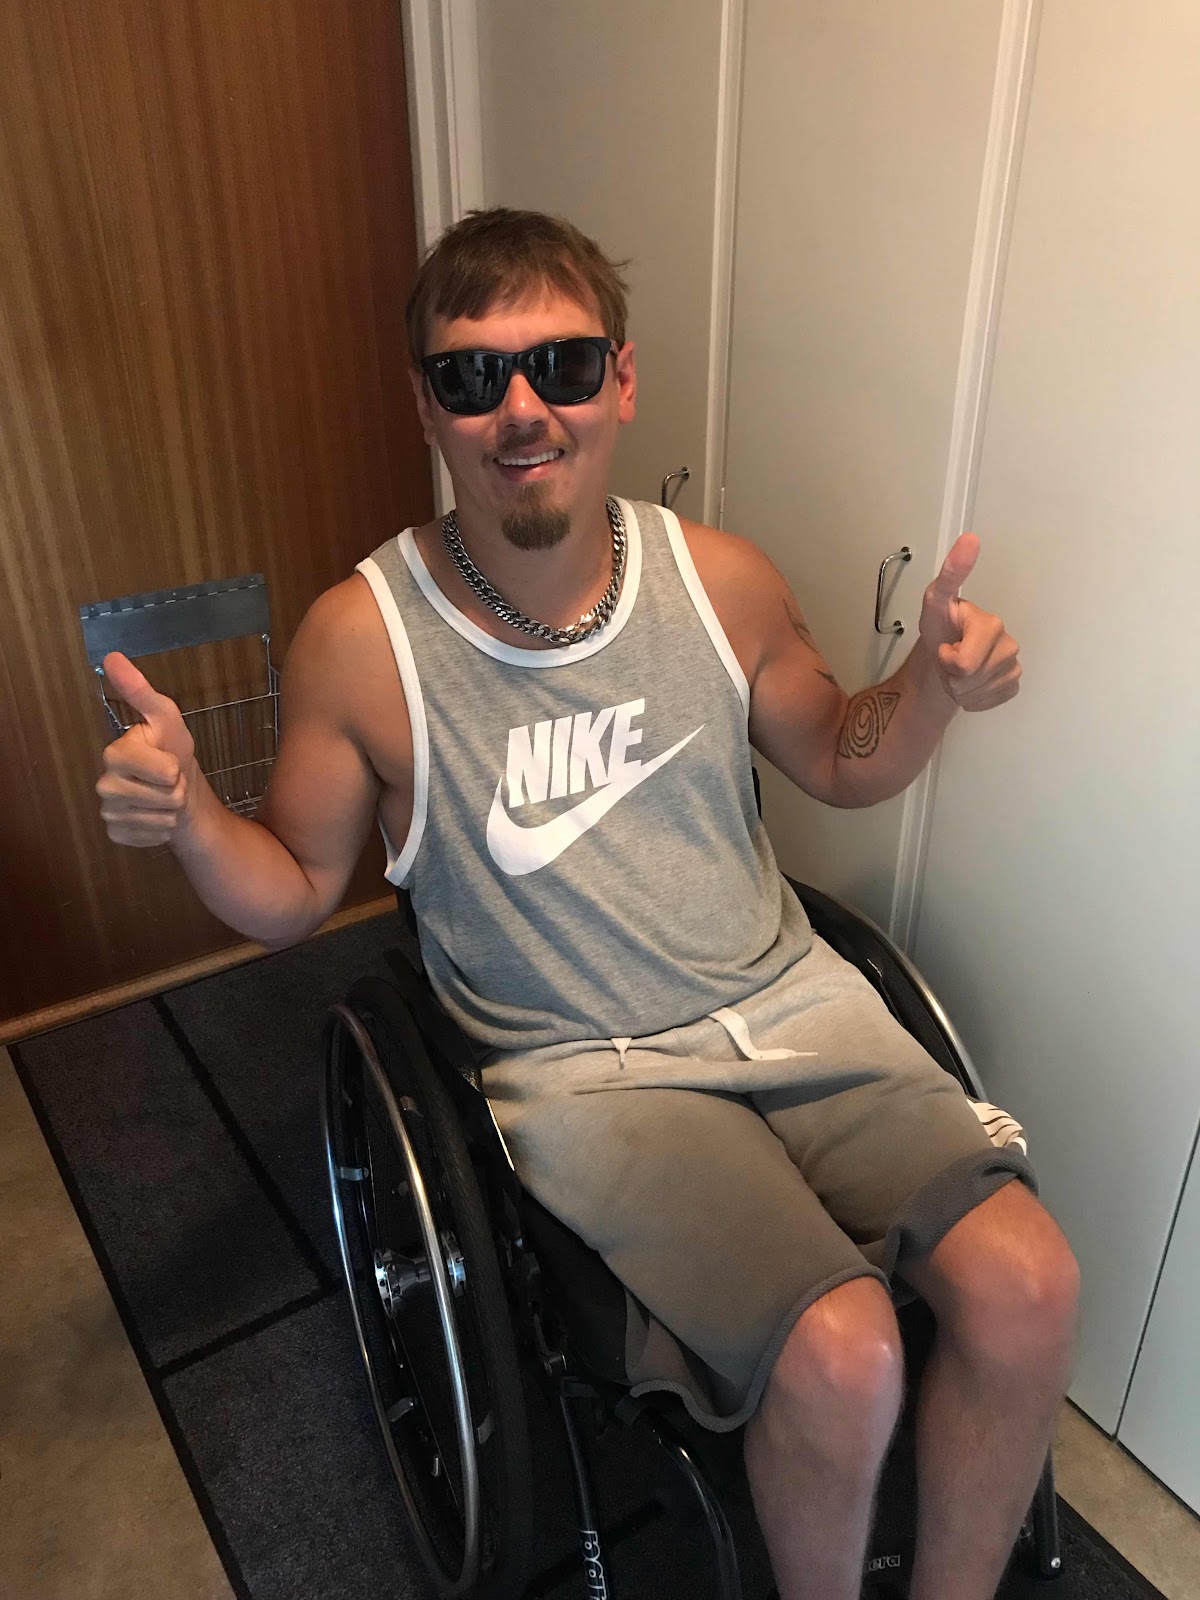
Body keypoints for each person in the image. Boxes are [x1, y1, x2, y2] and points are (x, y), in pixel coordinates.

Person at [95, 208, 1079, 1600]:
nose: (520, 409)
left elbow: (841, 757)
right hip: (591, 1078)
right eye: (471, 376)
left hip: (795, 1010)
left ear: (619, 380)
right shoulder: (362, 641)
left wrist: (931, 688)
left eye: (558, 365)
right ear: (426, 406)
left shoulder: (719, 581)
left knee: (1032, 1288)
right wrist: (194, 817)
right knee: (846, 1352)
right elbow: (296, 890)